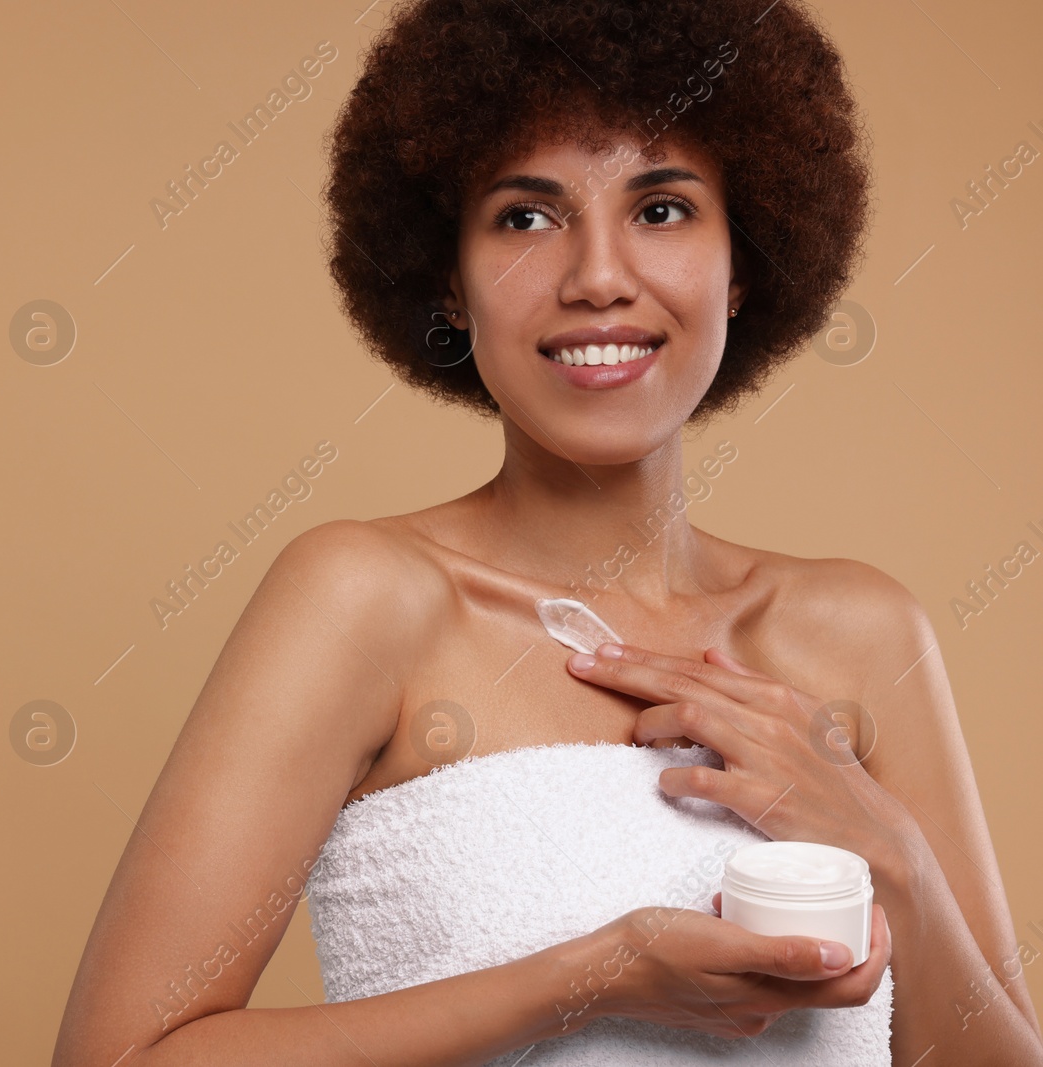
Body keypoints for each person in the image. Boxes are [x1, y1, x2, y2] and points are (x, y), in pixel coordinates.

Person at [52, 0, 1043, 1063]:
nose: (598, 276)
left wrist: (895, 860)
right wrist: (590, 979)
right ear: (448, 277)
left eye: (661, 209)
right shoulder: (366, 599)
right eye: (526, 217)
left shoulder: (861, 631)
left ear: (741, 259)